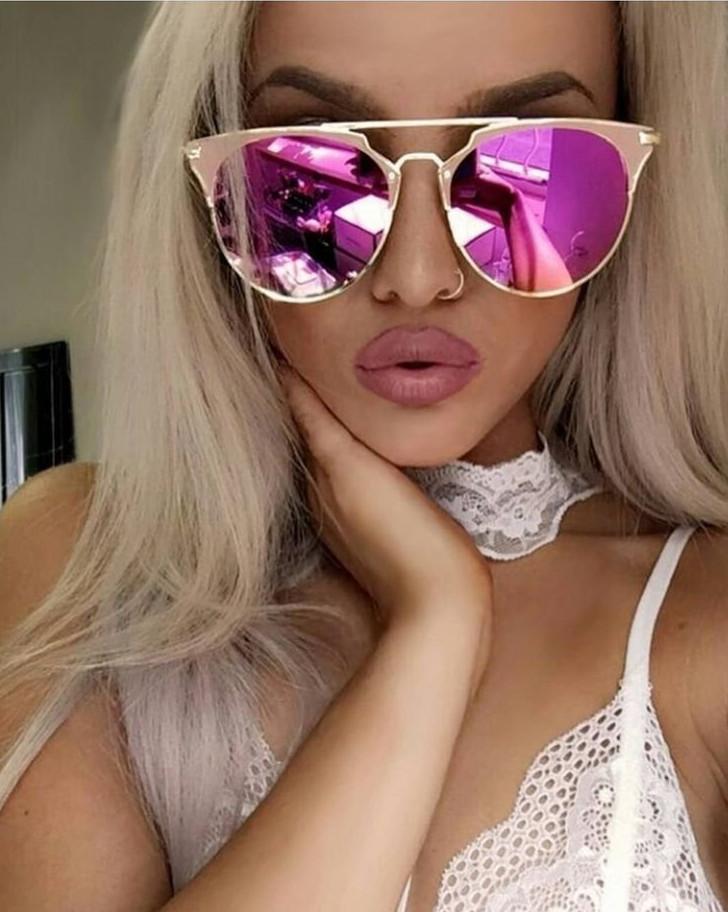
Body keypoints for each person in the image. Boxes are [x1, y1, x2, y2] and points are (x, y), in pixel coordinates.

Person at [1, 3, 728, 910]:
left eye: (527, 170)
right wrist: (434, 626)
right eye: (312, 176)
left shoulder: (709, 611)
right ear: (206, 188)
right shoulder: (80, 567)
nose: (418, 276)